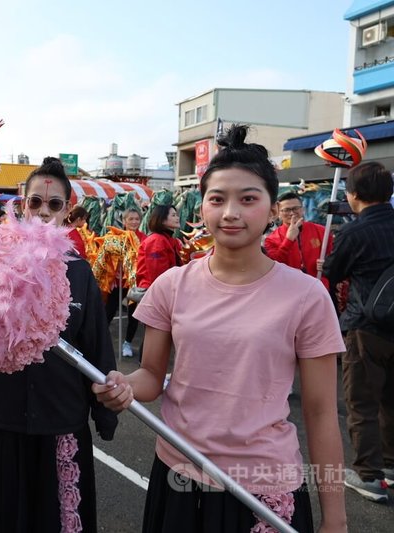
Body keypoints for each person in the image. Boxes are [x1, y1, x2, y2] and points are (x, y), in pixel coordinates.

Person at [92, 125, 347, 532]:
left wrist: (336, 520)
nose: (231, 212)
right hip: (178, 475)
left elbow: (319, 412)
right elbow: (152, 377)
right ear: (203, 208)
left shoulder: (307, 296)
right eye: (218, 199)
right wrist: (121, 385)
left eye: (248, 199)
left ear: (270, 208)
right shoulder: (172, 286)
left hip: (265, 488)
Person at [0, 157, 118, 533]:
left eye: (54, 204)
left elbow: (96, 344)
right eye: (36, 203)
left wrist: (105, 412)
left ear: (67, 211)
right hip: (2, 412)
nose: (43, 212)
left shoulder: (79, 272)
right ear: (22, 203)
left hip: (60, 416)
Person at [323, 161, 394, 503]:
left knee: (362, 403)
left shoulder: (352, 232)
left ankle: (369, 475)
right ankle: (391, 467)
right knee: (392, 400)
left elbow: (333, 274)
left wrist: (328, 266)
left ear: (352, 195)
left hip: (366, 327)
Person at [264, 191, 332, 287]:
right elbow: (273, 267)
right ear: (278, 213)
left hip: (319, 287)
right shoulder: (271, 239)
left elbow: (334, 257)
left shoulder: (321, 231)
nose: (292, 213)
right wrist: (288, 240)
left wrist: (328, 264)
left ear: (303, 209)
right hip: (288, 289)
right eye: (287, 210)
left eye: (295, 208)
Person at [104, 207, 148, 357]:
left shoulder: (144, 238)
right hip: (117, 283)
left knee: (133, 316)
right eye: (131, 219)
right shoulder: (116, 236)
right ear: (124, 221)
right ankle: (100, 341)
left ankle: (127, 343)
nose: (134, 222)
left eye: (137, 219)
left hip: (135, 285)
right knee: (108, 312)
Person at [134, 204, 182, 290]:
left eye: (176, 215)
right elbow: (157, 275)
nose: (177, 218)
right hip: (154, 291)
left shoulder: (170, 240)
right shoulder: (156, 241)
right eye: (173, 215)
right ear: (162, 220)